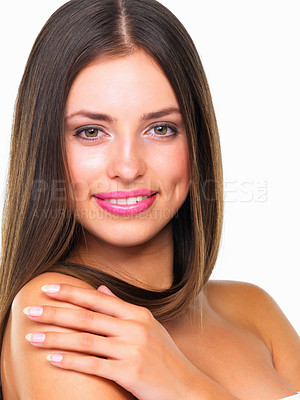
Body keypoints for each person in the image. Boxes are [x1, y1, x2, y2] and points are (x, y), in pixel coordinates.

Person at [0, 0, 299, 399]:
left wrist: (181, 383)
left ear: (197, 141)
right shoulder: (60, 315)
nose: (127, 167)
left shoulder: (254, 309)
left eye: (160, 128)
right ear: (43, 148)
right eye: (90, 132)